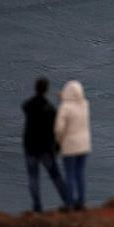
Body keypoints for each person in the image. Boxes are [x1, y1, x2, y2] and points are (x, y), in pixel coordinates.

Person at [22, 77, 71, 213]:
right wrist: (57, 146)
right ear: (46, 90)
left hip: (30, 147)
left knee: (33, 178)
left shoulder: (29, 105)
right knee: (55, 176)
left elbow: (25, 106)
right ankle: (68, 201)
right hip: (44, 148)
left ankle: (37, 206)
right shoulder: (49, 110)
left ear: (36, 88)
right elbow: (53, 131)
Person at [55, 80, 91, 211]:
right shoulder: (85, 104)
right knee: (80, 174)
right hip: (84, 145)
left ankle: (69, 203)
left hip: (70, 145)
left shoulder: (65, 107)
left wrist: (58, 142)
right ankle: (81, 202)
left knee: (70, 174)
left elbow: (59, 129)